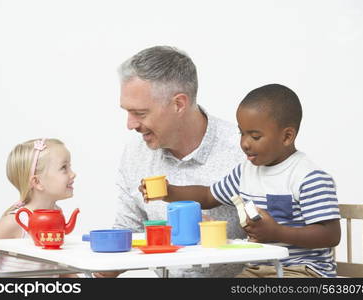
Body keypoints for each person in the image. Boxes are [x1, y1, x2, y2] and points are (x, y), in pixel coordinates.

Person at [141, 83, 341, 277]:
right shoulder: (245, 172)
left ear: (287, 136)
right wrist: (169, 192)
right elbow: (208, 195)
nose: (244, 143)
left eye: (255, 136)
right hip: (258, 269)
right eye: (242, 133)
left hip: (304, 271)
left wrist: (278, 232)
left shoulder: (308, 177)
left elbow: (330, 235)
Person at [96, 46, 246, 278]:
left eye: (140, 113)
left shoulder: (244, 152)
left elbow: (276, 239)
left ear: (179, 104)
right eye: (128, 112)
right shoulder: (136, 155)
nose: (130, 124)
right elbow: (129, 231)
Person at [0, 138, 78, 277]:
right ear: (37, 182)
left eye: (70, 166)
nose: (73, 174)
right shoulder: (13, 222)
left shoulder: (57, 213)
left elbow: (57, 266)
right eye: (64, 167)